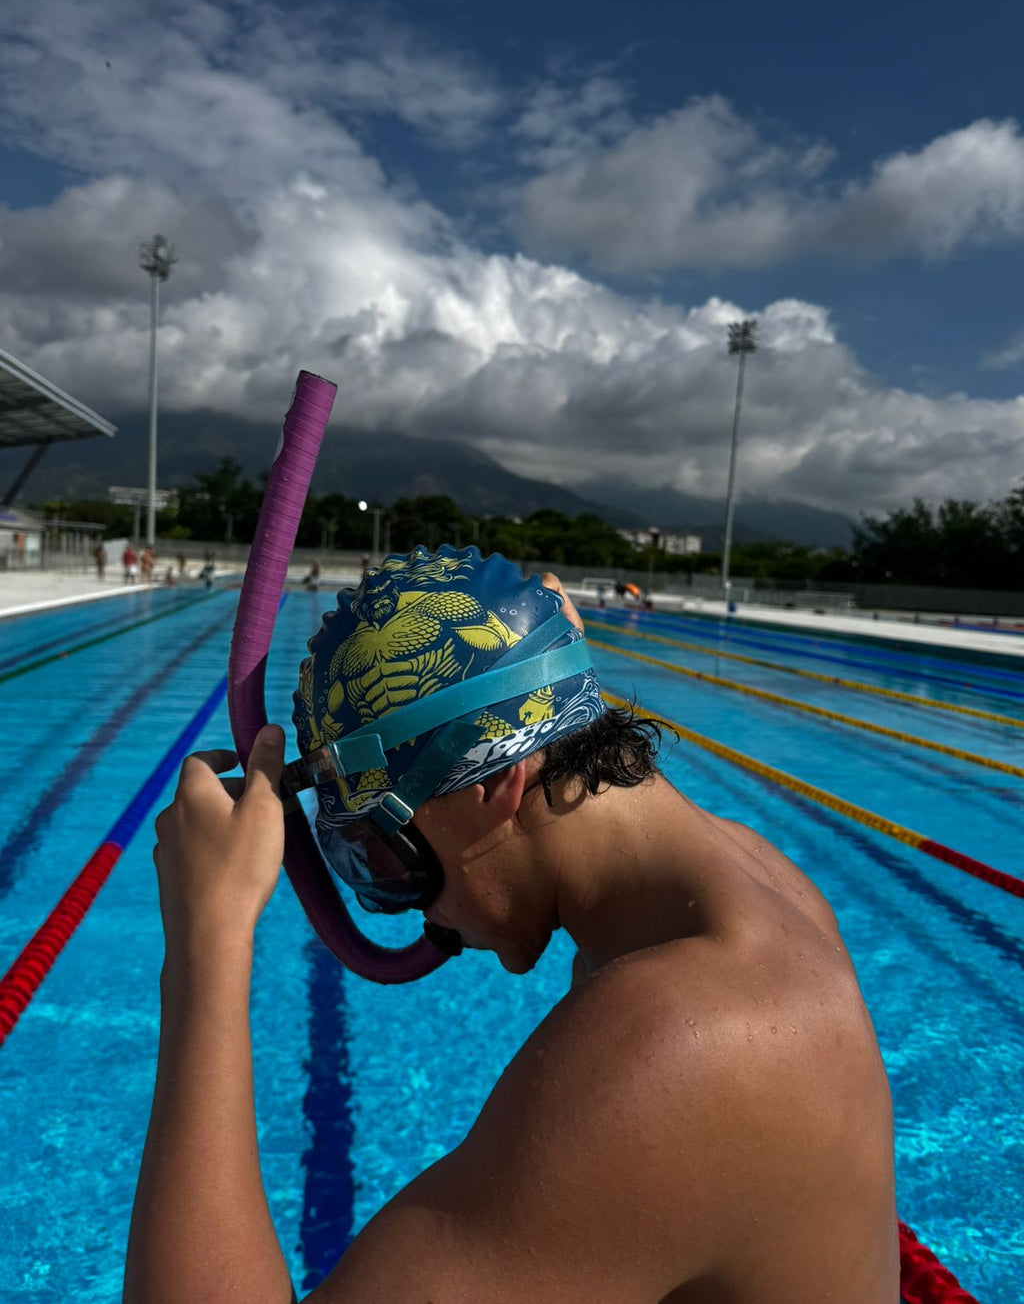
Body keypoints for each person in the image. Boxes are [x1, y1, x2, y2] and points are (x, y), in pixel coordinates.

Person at [127, 547, 899, 1303]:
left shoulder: (681, 1042)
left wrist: (208, 937)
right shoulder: (751, 877)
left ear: (496, 782)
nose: (416, 908)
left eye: (380, 855)